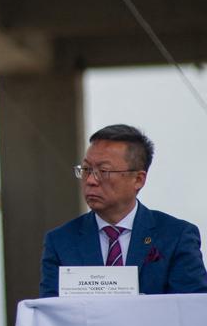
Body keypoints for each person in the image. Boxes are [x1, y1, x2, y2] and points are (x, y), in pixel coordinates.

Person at [39, 123, 207, 296]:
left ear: (138, 179)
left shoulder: (175, 236)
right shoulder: (61, 242)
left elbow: (192, 309)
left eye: (103, 171)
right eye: (87, 170)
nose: (90, 180)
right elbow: (51, 313)